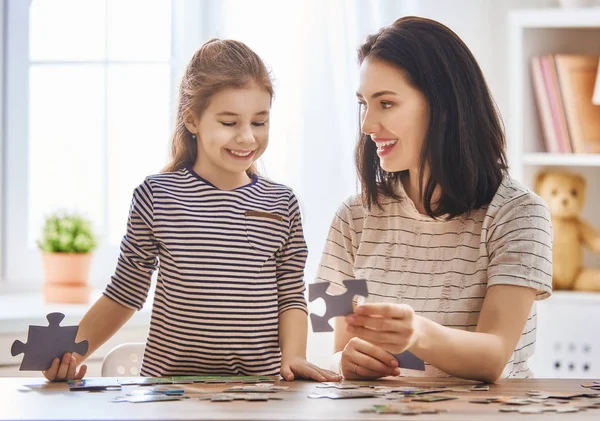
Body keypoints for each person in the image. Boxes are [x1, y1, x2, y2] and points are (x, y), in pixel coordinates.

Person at [43, 38, 341, 383]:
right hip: (169, 392)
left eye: (259, 122)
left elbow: (290, 294)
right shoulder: (157, 195)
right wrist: (70, 354)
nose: (247, 137)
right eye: (229, 122)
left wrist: (294, 357)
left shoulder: (280, 203)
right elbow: (125, 292)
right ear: (192, 119)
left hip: (262, 393)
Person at [317, 17, 552, 383]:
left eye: (387, 103)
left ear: (443, 108)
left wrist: (417, 335)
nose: (366, 124)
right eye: (364, 103)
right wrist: (344, 363)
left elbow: (494, 355)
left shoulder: (519, 213)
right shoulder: (352, 217)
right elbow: (336, 352)